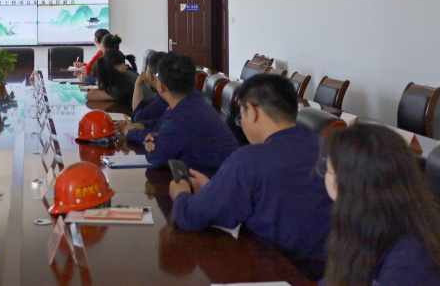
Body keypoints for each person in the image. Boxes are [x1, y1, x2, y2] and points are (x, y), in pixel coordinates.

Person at [169, 73, 332, 280]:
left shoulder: (250, 159)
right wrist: (214, 188)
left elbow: (189, 216)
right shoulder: (330, 149)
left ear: (253, 112)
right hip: (332, 273)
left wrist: (181, 193)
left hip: (277, 273)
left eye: (241, 116)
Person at [320, 124, 440, 285]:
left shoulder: (409, 261)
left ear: (344, 183)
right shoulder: (364, 222)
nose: (324, 176)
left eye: (328, 170)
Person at [143, 53, 238, 176]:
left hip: (217, 182)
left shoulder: (183, 114)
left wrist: (148, 141)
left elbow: (155, 156)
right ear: (195, 80)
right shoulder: (193, 101)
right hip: (225, 177)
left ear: (160, 85)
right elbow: (160, 132)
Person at [116, 50, 168, 144]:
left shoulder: (164, 100)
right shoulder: (159, 96)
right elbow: (139, 112)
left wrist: (131, 129)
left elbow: (138, 117)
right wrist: (138, 84)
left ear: (150, 75)